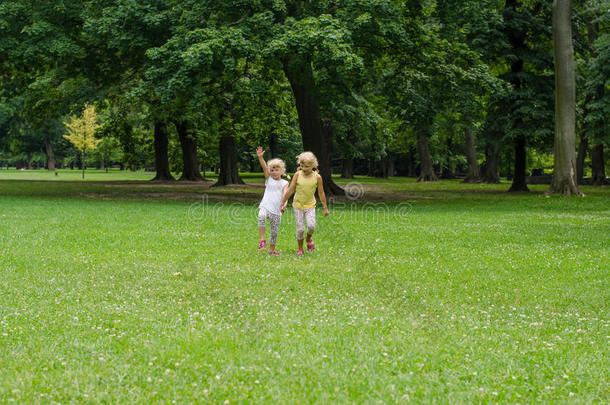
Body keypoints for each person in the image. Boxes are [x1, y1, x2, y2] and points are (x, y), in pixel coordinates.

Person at [280, 151, 329, 256]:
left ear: (313, 165)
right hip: (297, 206)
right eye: (301, 166)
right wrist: (283, 202)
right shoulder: (297, 175)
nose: (304, 168)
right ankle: (300, 248)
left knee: (311, 226)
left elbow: (321, 193)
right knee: (300, 228)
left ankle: (308, 238)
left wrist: (325, 207)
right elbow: (290, 190)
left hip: (310, 206)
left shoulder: (317, 177)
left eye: (306, 166)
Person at [256, 146, 289, 255]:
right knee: (261, 217)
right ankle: (262, 240)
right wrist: (261, 158)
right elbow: (265, 168)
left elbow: (286, 194)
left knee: (274, 232)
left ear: (282, 170)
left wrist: (284, 204)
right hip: (265, 205)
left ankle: (272, 249)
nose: (274, 172)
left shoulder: (284, 183)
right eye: (272, 170)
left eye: (277, 170)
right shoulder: (268, 179)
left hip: (276, 209)